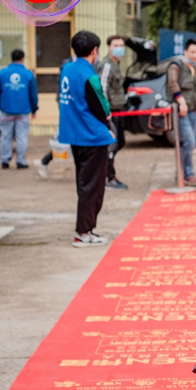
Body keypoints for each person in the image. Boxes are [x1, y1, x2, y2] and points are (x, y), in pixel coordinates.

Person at [58, 31, 115, 248]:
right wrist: (107, 125)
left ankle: (85, 230)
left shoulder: (67, 69)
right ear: (94, 51)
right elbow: (101, 106)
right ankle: (83, 232)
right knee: (93, 188)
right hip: (92, 137)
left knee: (84, 185)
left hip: (74, 136)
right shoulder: (88, 74)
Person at [167, 38, 196, 186]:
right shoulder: (176, 66)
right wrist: (181, 102)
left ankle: (182, 173)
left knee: (189, 144)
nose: (195, 55)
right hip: (180, 112)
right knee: (189, 142)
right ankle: (187, 173)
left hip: (192, 112)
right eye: (192, 52)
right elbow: (172, 83)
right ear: (185, 51)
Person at [0, 49, 38, 169]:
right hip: (23, 111)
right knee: (22, 136)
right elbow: (33, 94)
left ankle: (4, 160)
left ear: (11, 58)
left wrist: (0, 106)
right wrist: (34, 110)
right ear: (23, 59)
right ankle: (21, 161)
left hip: (6, 110)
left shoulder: (3, 73)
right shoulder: (28, 74)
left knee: (5, 136)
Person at [97, 35, 129, 190]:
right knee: (112, 145)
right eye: (116, 45)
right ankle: (109, 177)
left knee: (120, 142)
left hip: (119, 110)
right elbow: (101, 90)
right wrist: (105, 112)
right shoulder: (107, 65)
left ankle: (106, 173)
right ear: (109, 47)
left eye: (121, 45)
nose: (119, 48)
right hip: (110, 113)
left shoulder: (117, 64)